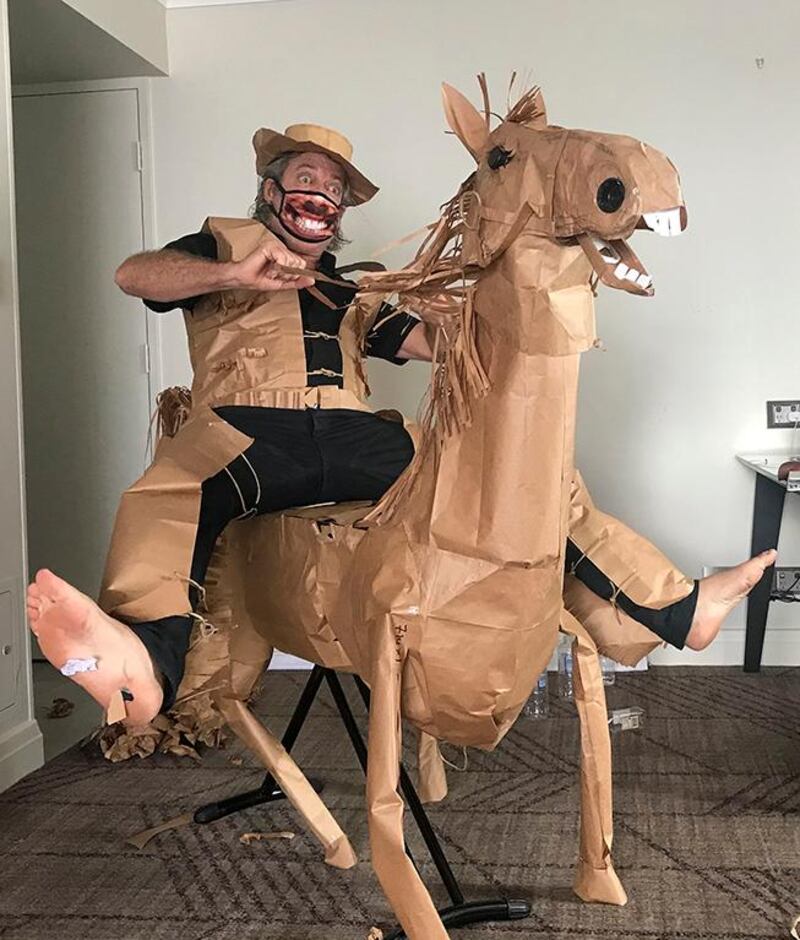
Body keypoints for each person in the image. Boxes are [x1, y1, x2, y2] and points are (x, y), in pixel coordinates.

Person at [26, 123, 776, 729]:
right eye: (309, 178)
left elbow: (430, 346)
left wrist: (498, 300)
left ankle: (676, 609)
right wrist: (232, 276)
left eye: (335, 189)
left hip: (354, 437)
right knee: (169, 489)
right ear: (271, 188)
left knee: (523, 482)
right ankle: (144, 667)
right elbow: (135, 276)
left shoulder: (349, 288)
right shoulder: (217, 247)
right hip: (249, 435)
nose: (322, 194)